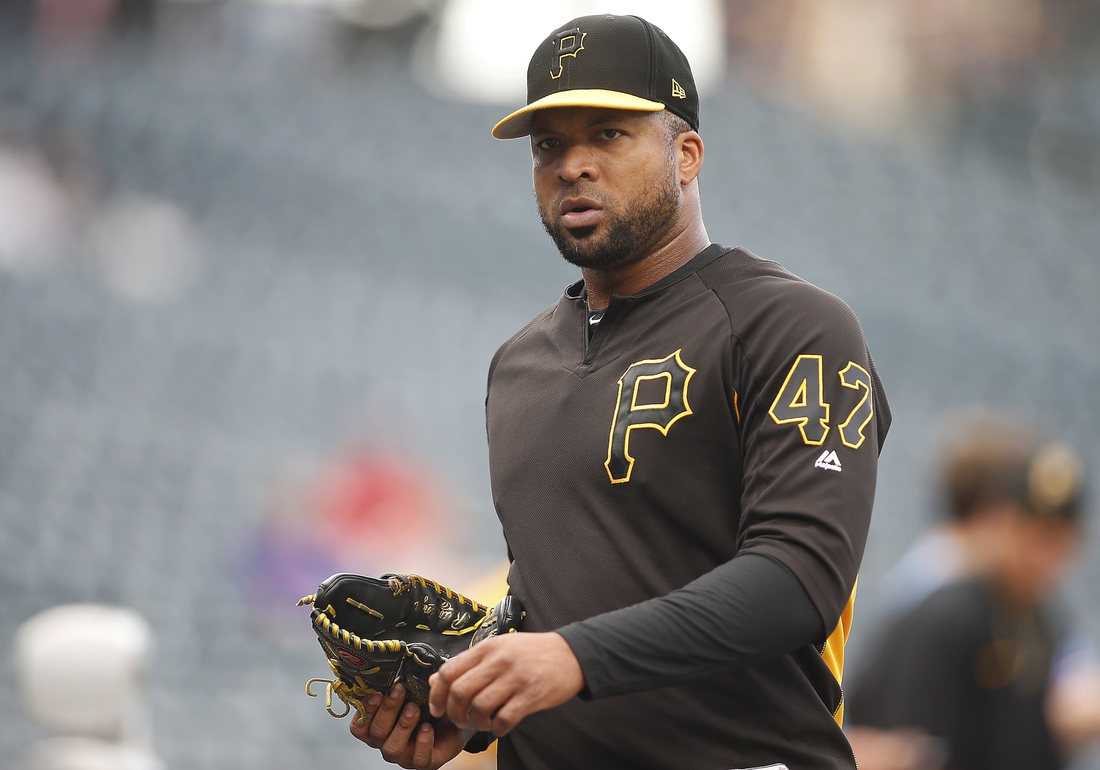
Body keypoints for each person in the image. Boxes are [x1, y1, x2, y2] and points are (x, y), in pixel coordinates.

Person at [351, 14, 890, 769]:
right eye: (549, 145)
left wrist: (573, 657)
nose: (573, 164)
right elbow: (553, 606)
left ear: (688, 154)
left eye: (608, 134)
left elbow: (799, 579)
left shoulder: (790, 324)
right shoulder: (518, 365)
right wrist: (467, 711)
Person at [845, 416, 1094, 770]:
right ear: (998, 520)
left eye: (1058, 539)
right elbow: (886, 744)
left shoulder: (1039, 617)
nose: (1044, 557)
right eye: (1033, 535)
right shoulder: (946, 610)